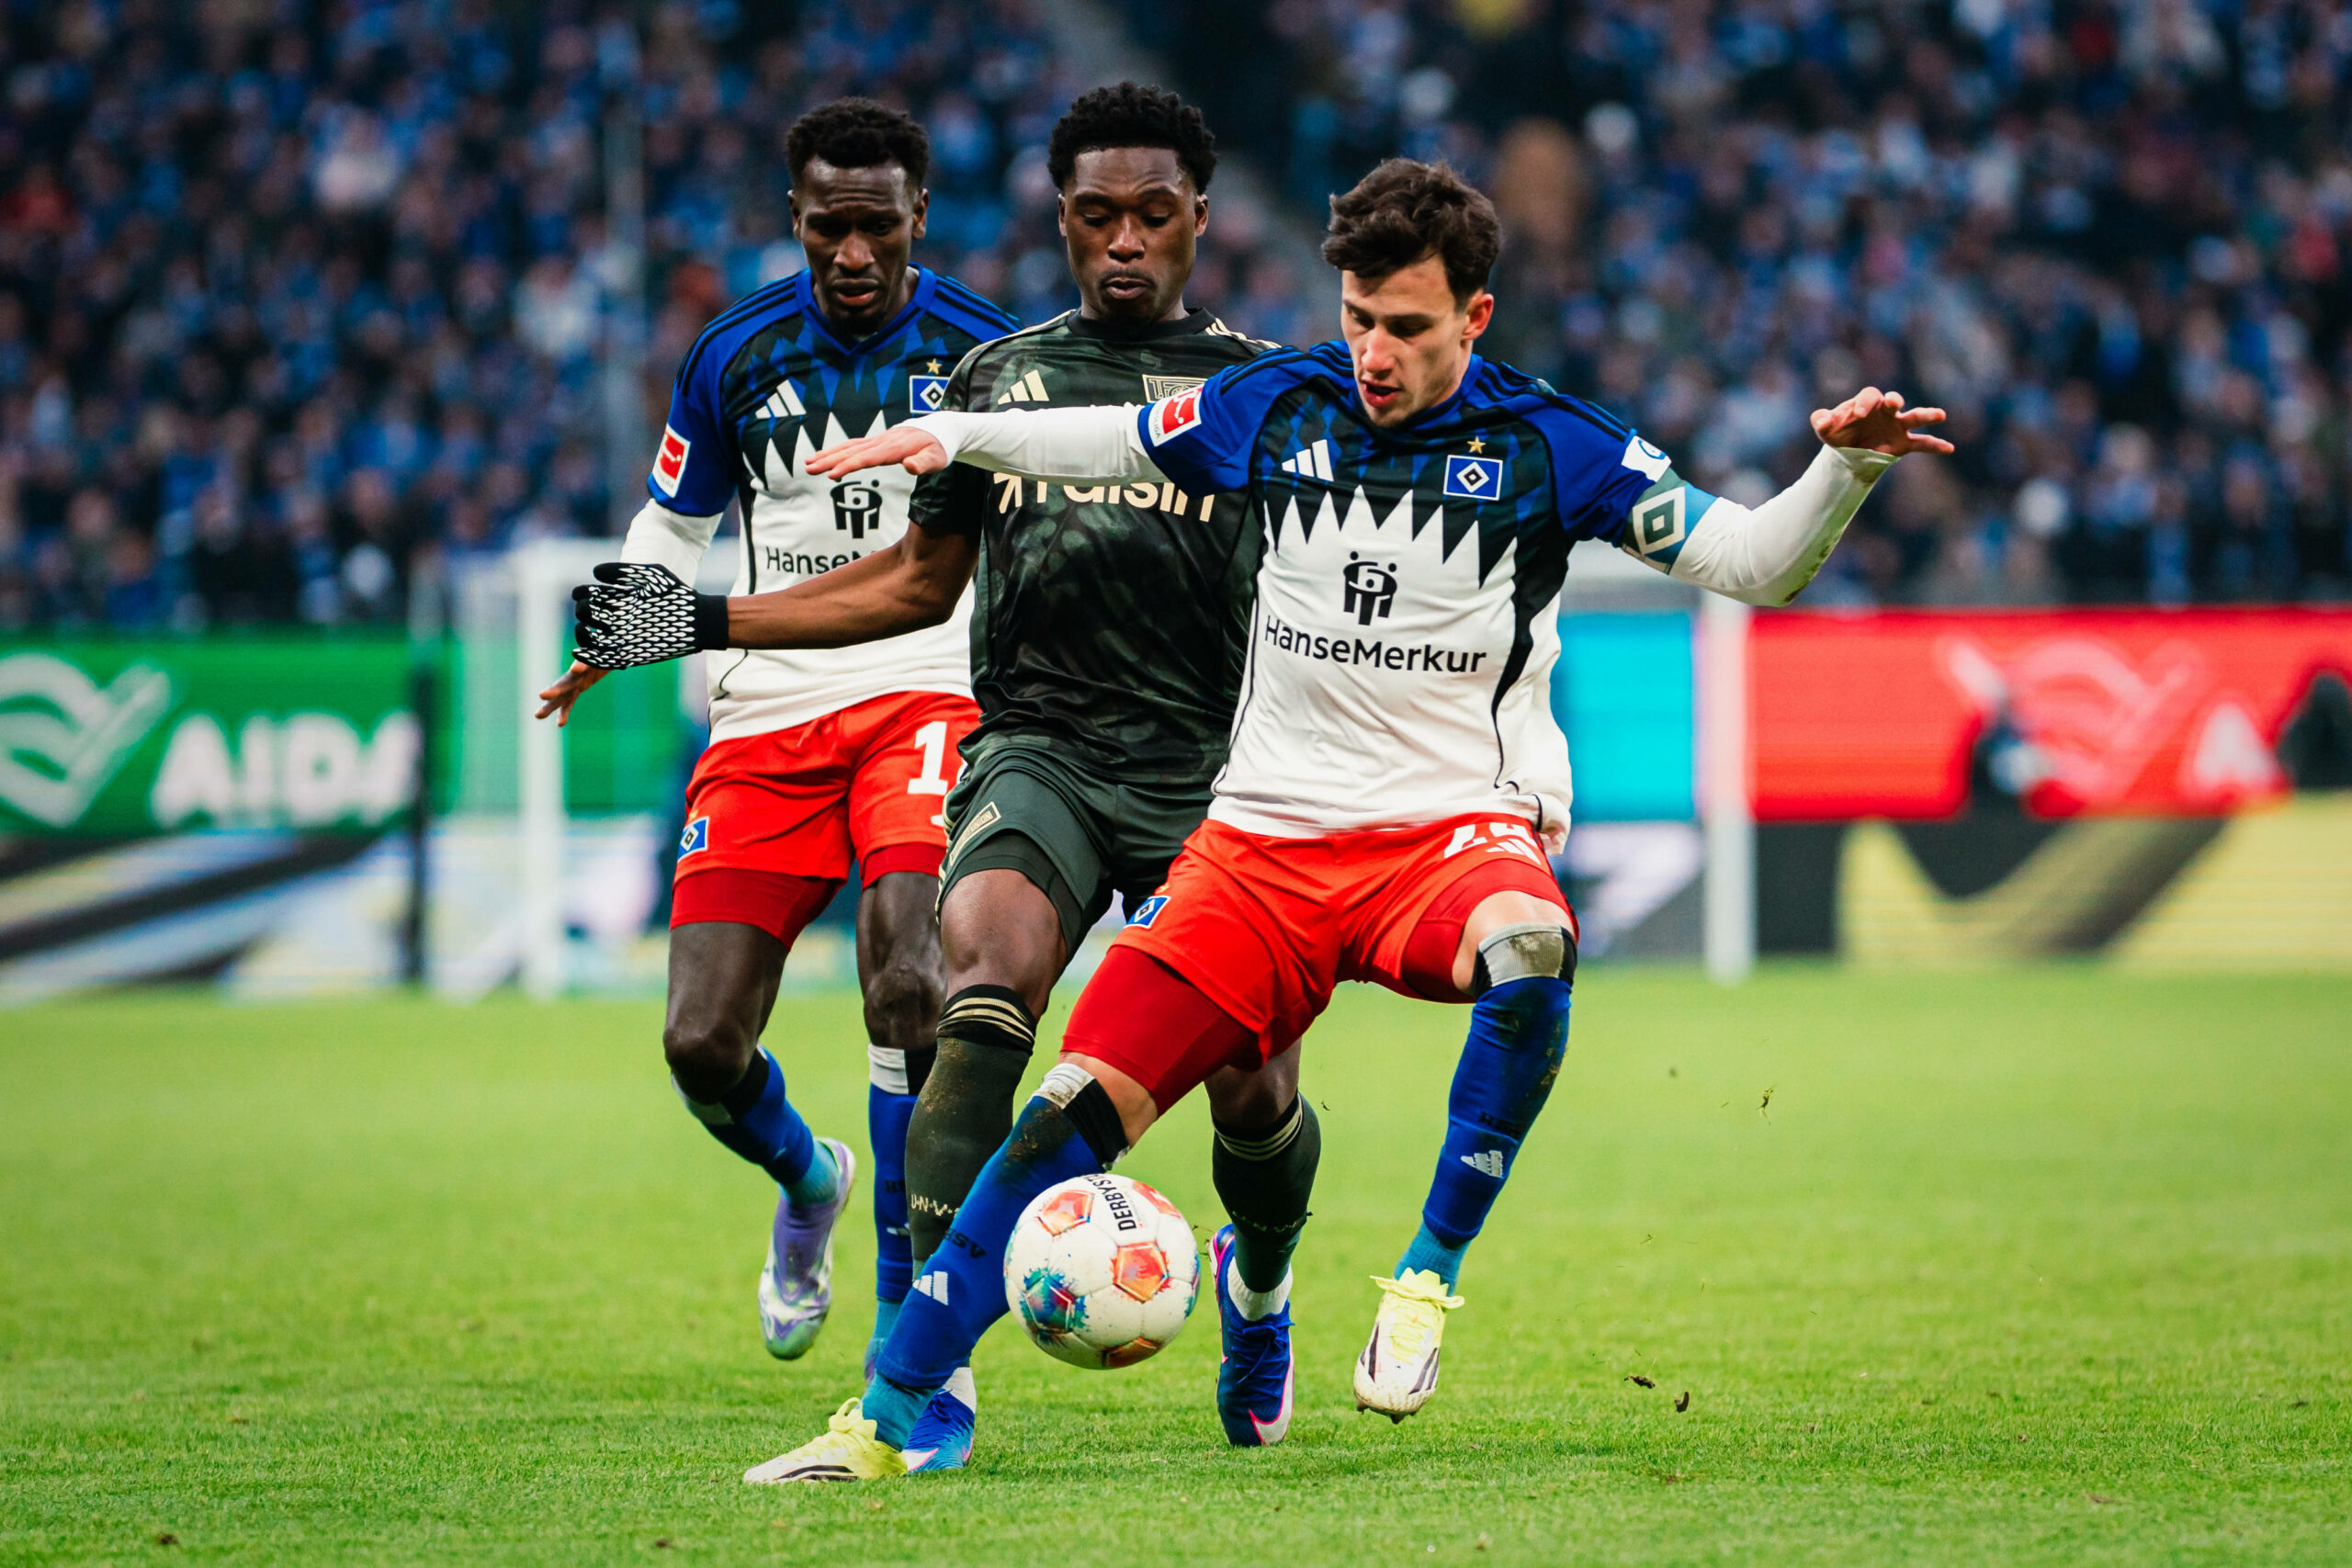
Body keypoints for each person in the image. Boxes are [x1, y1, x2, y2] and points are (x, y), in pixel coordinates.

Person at [576, 156, 1951, 1482]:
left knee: (1531, 948)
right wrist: (960, 433)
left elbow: (1756, 562)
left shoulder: (1559, 447)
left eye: (1406, 328)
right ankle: (883, 1420)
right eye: (1357, 319)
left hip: (1442, 840)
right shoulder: (1277, 405)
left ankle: (1423, 1277)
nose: (1374, 353)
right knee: (1056, 1119)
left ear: (1474, 317)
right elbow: (1111, 435)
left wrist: (1844, 470)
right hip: (1257, 851)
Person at [564, 85, 1317, 1460]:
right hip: (1031, 747)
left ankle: (1258, 1290)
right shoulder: (997, 379)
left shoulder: (1268, 394)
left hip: (1209, 771)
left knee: (1255, 1094)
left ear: (1201, 218)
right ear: (1062, 218)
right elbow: (916, 580)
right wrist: (687, 620)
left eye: (1154, 214)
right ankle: (926, 1378)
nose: (1126, 240)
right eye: (1099, 214)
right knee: (961, 990)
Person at [535, 98, 1015, 1469]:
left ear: (919, 217)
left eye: (876, 225)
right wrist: (619, 629)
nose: (852, 252)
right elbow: (673, 523)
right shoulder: (732, 353)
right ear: (795, 218)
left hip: (928, 683)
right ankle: (810, 1179)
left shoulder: (984, 356)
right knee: (699, 1042)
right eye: (826, 226)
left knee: (910, 972)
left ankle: (910, 1349)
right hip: (770, 707)